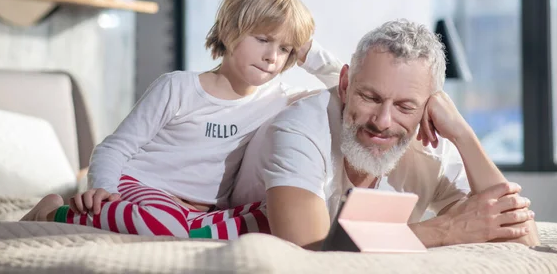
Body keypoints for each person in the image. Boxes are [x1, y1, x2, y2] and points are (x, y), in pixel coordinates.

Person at [21, 0, 343, 240]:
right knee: (167, 226)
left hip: (203, 211)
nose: (273, 56)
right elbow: (114, 148)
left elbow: (349, 87)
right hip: (142, 186)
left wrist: (308, 51)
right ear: (231, 30)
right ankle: (53, 211)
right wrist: (102, 189)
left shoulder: (278, 98)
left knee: (273, 217)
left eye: (285, 49)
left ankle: (193, 232)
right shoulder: (178, 88)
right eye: (263, 39)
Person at [231, 19, 539, 249]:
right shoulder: (300, 128)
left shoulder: (430, 145)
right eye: (370, 97)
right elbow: (309, 254)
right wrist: (447, 229)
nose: (382, 121)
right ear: (344, 84)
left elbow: (524, 237)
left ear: (428, 107)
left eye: (405, 106)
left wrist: (463, 134)